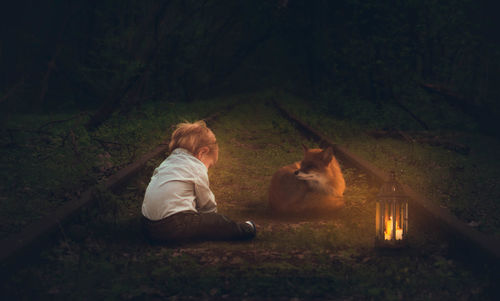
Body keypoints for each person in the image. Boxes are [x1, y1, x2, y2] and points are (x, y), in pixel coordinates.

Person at [141, 120, 256, 243]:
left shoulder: (167, 163)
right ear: (202, 153)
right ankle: (246, 229)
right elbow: (206, 202)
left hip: (148, 226)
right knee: (219, 222)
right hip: (174, 225)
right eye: (209, 165)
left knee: (194, 221)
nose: (207, 169)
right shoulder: (196, 166)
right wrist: (211, 218)